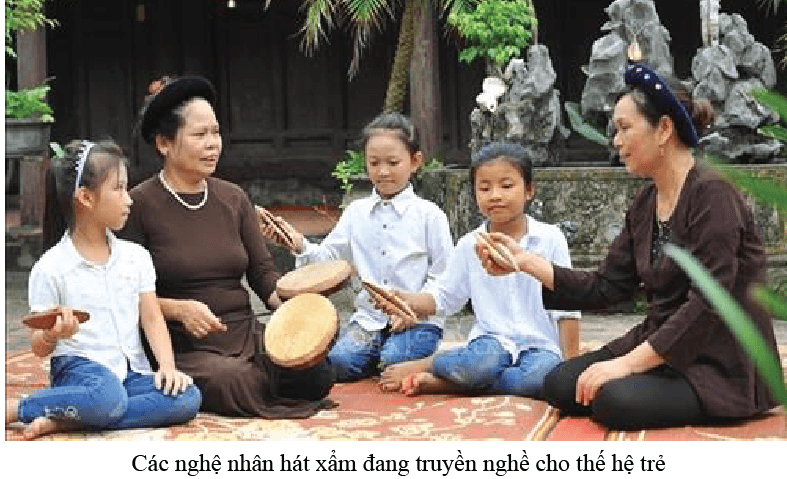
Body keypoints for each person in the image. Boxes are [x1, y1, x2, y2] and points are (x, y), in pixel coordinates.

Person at [478, 63, 783, 430]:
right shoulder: (644, 203)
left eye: (624, 128)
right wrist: (525, 262)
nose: (616, 141)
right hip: (659, 342)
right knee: (560, 384)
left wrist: (627, 364)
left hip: (718, 358)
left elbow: (709, 303)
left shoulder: (712, 193)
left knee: (612, 399)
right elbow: (607, 286)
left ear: (664, 129)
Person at [121, 76, 333, 419]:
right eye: (199, 135)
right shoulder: (138, 205)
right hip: (182, 344)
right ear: (164, 143)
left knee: (317, 372)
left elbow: (263, 274)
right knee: (236, 381)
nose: (212, 145)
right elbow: (120, 293)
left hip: (244, 332)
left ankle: (266, 377)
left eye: (216, 133)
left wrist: (298, 313)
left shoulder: (233, 198)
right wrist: (178, 310)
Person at [5, 140, 200, 440]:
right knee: (106, 397)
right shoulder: (51, 267)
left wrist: (168, 367)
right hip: (80, 373)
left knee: (187, 397)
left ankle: (68, 419)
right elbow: (38, 347)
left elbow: (151, 318)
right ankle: (20, 408)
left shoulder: (136, 257)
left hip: (130, 374)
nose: (129, 199)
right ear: (85, 197)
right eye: (119, 189)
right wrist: (52, 334)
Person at [377, 143, 580, 398]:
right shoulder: (468, 245)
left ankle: (448, 383)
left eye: (506, 186)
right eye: (484, 188)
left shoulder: (550, 239)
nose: (495, 195)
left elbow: (568, 306)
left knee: (536, 381)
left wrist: (572, 366)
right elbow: (445, 298)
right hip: (490, 342)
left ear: (529, 190)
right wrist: (405, 300)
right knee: (479, 365)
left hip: (541, 346)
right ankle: (434, 365)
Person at [262, 113, 454, 382]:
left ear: (415, 161)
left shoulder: (430, 215)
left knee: (394, 358)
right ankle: (378, 355)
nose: (383, 171)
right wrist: (299, 244)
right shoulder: (356, 212)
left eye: (393, 163)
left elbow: (444, 275)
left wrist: (416, 307)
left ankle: (407, 358)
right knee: (338, 364)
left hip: (417, 321)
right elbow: (329, 259)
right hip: (368, 321)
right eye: (374, 163)